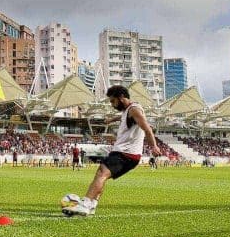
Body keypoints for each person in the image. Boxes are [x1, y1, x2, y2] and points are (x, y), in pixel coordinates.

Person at [67, 85, 161, 217]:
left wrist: (154, 147)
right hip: (123, 152)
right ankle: (92, 205)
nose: (112, 104)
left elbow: (147, 129)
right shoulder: (128, 110)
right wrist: (112, 119)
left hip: (126, 153)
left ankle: (85, 205)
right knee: (101, 174)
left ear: (121, 97)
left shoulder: (134, 110)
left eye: (113, 101)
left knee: (101, 173)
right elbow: (123, 116)